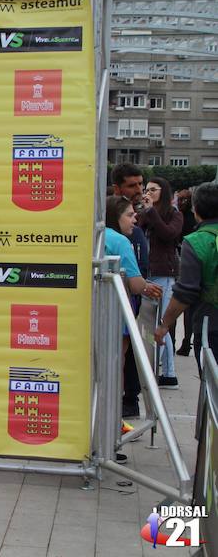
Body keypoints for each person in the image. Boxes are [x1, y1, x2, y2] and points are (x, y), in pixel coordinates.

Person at [105, 195, 161, 450]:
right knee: (115, 367)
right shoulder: (120, 241)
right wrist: (147, 286)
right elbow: (137, 284)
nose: (135, 218)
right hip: (117, 315)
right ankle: (112, 424)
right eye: (129, 214)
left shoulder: (90, 236)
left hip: (88, 314)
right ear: (115, 217)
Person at [156, 183, 218, 370]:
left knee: (212, 390)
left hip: (211, 326)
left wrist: (165, 324)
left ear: (195, 209)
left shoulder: (196, 242)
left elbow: (186, 292)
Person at [111, 163, 149, 419]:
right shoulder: (120, 236)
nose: (139, 190)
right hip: (120, 304)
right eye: (132, 185)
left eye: (141, 184)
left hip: (130, 303)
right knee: (117, 363)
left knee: (123, 359)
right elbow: (135, 279)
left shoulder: (141, 218)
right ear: (118, 188)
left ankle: (127, 402)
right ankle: (116, 411)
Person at [138, 177, 182, 389]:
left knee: (161, 323)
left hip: (164, 274)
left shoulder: (174, 214)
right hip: (147, 273)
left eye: (153, 190)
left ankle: (159, 372)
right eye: (147, 190)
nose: (148, 193)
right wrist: (145, 212)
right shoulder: (145, 213)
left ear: (163, 192)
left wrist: (151, 212)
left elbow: (168, 234)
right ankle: (169, 374)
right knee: (155, 324)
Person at [175, 188, 197, 356]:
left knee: (180, 303)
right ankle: (186, 341)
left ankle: (183, 341)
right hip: (186, 260)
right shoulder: (191, 218)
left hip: (181, 261)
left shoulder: (180, 217)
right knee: (188, 309)